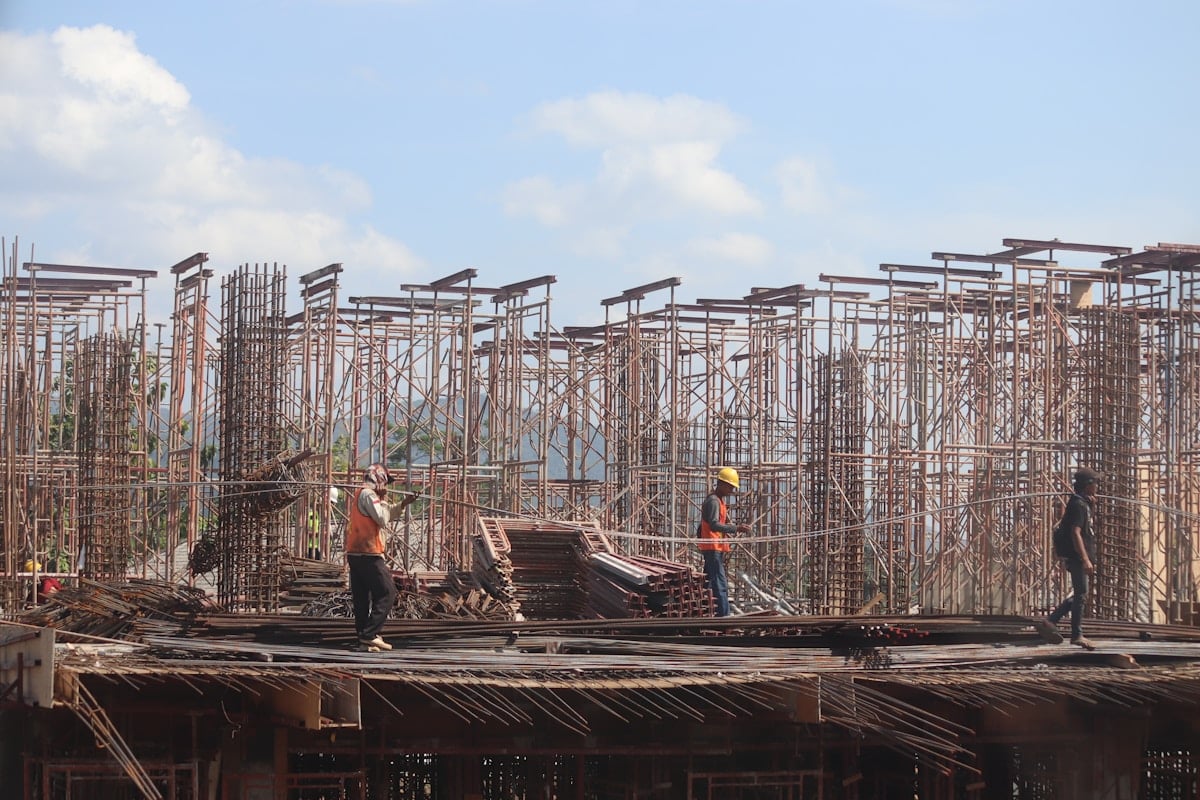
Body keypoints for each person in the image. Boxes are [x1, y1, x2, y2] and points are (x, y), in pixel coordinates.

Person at [346, 463, 418, 652]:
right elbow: (382, 519)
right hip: (368, 554)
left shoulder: (363, 494)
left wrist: (403, 504)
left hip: (356, 553)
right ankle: (370, 634)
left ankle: (363, 640)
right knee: (387, 592)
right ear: (379, 478)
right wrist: (382, 498)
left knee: (362, 598)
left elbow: (382, 515)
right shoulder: (369, 495)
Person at [1048, 467, 1101, 650]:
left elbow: (1085, 528)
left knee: (1081, 594)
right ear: (1087, 485)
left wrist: (1091, 506)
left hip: (1079, 555)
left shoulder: (1082, 503)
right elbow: (1076, 532)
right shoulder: (1078, 505)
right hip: (1078, 556)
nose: (1097, 486)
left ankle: (1052, 620)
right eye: (1095, 483)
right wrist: (1085, 558)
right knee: (1081, 594)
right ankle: (1076, 635)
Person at [697, 467, 751, 617]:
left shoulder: (718, 501)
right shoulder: (713, 501)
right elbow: (713, 524)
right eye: (730, 487)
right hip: (712, 548)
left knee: (708, 583)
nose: (732, 490)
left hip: (714, 547)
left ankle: (705, 612)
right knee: (720, 584)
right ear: (721, 484)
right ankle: (724, 616)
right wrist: (736, 528)